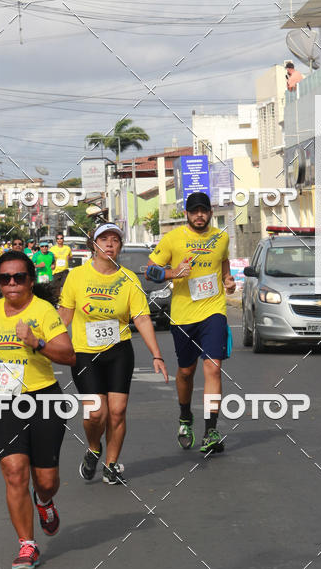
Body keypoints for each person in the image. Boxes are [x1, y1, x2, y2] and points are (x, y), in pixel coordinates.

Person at [0, 251, 76, 569]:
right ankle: (27, 545)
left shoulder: (44, 312)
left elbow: (69, 356)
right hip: (2, 399)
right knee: (14, 471)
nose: (12, 284)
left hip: (43, 398)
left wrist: (36, 343)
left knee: (45, 480)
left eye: (18, 277)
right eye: (4, 278)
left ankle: (44, 502)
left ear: (30, 281)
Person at [58, 223, 168, 485]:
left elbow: (141, 318)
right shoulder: (76, 277)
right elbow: (64, 317)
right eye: (103, 239)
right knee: (96, 412)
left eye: (115, 240)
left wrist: (157, 354)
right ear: (93, 246)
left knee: (117, 412)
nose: (109, 244)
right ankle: (94, 447)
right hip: (85, 353)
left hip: (119, 351)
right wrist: (46, 345)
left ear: (120, 246)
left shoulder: (129, 278)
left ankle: (111, 464)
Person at [147, 192, 235, 454]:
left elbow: (224, 263)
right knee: (186, 372)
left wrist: (229, 282)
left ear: (210, 212)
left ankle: (211, 430)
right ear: (186, 213)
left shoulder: (221, 237)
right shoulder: (173, 238)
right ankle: (185, 416)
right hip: (184, 315)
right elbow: (150, 270)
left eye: (204, 211)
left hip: (213, 311)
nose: (200, 215)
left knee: (214, 368)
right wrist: (173, 272)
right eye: (194, 211)